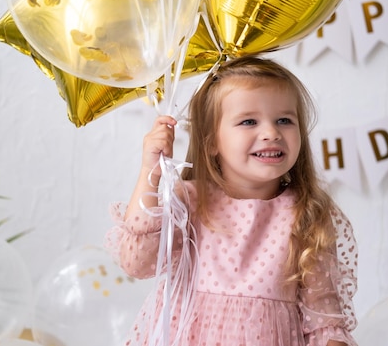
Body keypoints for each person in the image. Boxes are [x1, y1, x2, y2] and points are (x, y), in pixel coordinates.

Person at [106, 56, 358, 346]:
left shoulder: (306, 213)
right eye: (249, 121)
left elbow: (325, 322)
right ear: (212, 141)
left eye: (285, 120)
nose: (271, 133)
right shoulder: (188, 203)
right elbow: (136, 262)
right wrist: (151, 170)